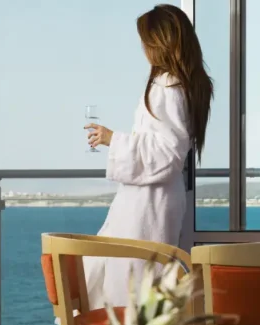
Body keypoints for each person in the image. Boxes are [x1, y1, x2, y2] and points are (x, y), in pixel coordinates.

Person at [82, 4, 213, 309]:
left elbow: (167, 151)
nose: (143, 49)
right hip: (155, 200)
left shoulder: (166, 86)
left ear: (159, 43)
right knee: (137, 280)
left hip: (149, 204)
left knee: (133, 284)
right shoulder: (186, 85)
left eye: (145, 42)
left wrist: (112, 139)